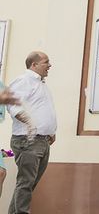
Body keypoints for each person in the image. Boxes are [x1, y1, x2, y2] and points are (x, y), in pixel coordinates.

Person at [8, 51, 57, 214]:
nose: (50, 65)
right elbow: (13, 106)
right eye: (46, 62)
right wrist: (31, 124)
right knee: (26, 183)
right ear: (33, 65)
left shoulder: (41, 84)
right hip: (28, 140)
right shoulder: (24, 81)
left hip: (42, 140)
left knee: (28, 184)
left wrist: (50, 130)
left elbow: (41, 109)